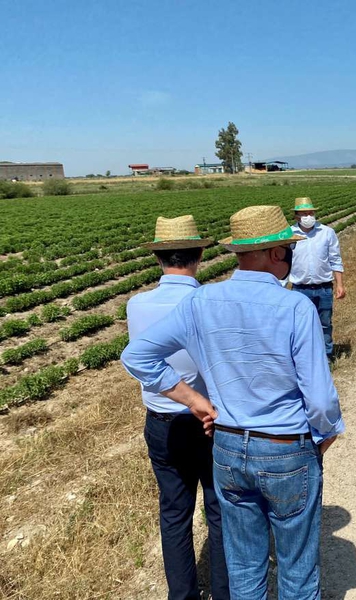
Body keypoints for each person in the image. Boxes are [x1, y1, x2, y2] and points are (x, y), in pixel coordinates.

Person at [122, 205, 345, 599]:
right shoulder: (296, 307)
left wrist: (193, 399)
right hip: (283, 448)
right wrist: (326, 432)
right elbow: (321, 398)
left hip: (226, 446)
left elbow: (137, 356)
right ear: (277, 254)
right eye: (288, 249)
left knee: (244, 566)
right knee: (296, 568)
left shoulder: (203, 300)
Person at [126, 215, 229, 600]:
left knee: (174, 512)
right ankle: (224, 592)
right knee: (219, 512)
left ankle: (181, 595)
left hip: (161, 422)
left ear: (158, 258)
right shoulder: (211, 301)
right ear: (200, 253)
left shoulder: (137, 305)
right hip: (211, 422)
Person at [290, 197, 345, 360]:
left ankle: (327, 356)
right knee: (301, 326)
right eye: (304, 213)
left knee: (325, 324)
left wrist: (340, 284)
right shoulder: (288, 234)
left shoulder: (327, 232)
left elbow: (335, 259)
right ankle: (305, 357)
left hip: (324, 288)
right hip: (300, 289)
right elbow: (283, 261)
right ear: (296, 216)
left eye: (311, 213)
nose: (308, 216)